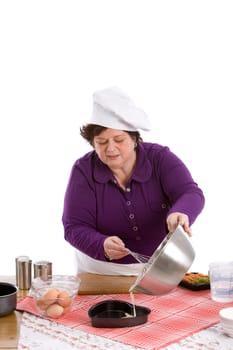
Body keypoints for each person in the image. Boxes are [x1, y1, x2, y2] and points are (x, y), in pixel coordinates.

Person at [62, 86, 205, 275]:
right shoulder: (83, 170)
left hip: (161, 268)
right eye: (102, 142)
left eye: (119, 140)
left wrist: (181, 212)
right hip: (100, 271)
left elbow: (190, 193)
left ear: (135, 139)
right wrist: (101, 244)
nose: (110, 149)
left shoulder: (160, 158)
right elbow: (74, 226)